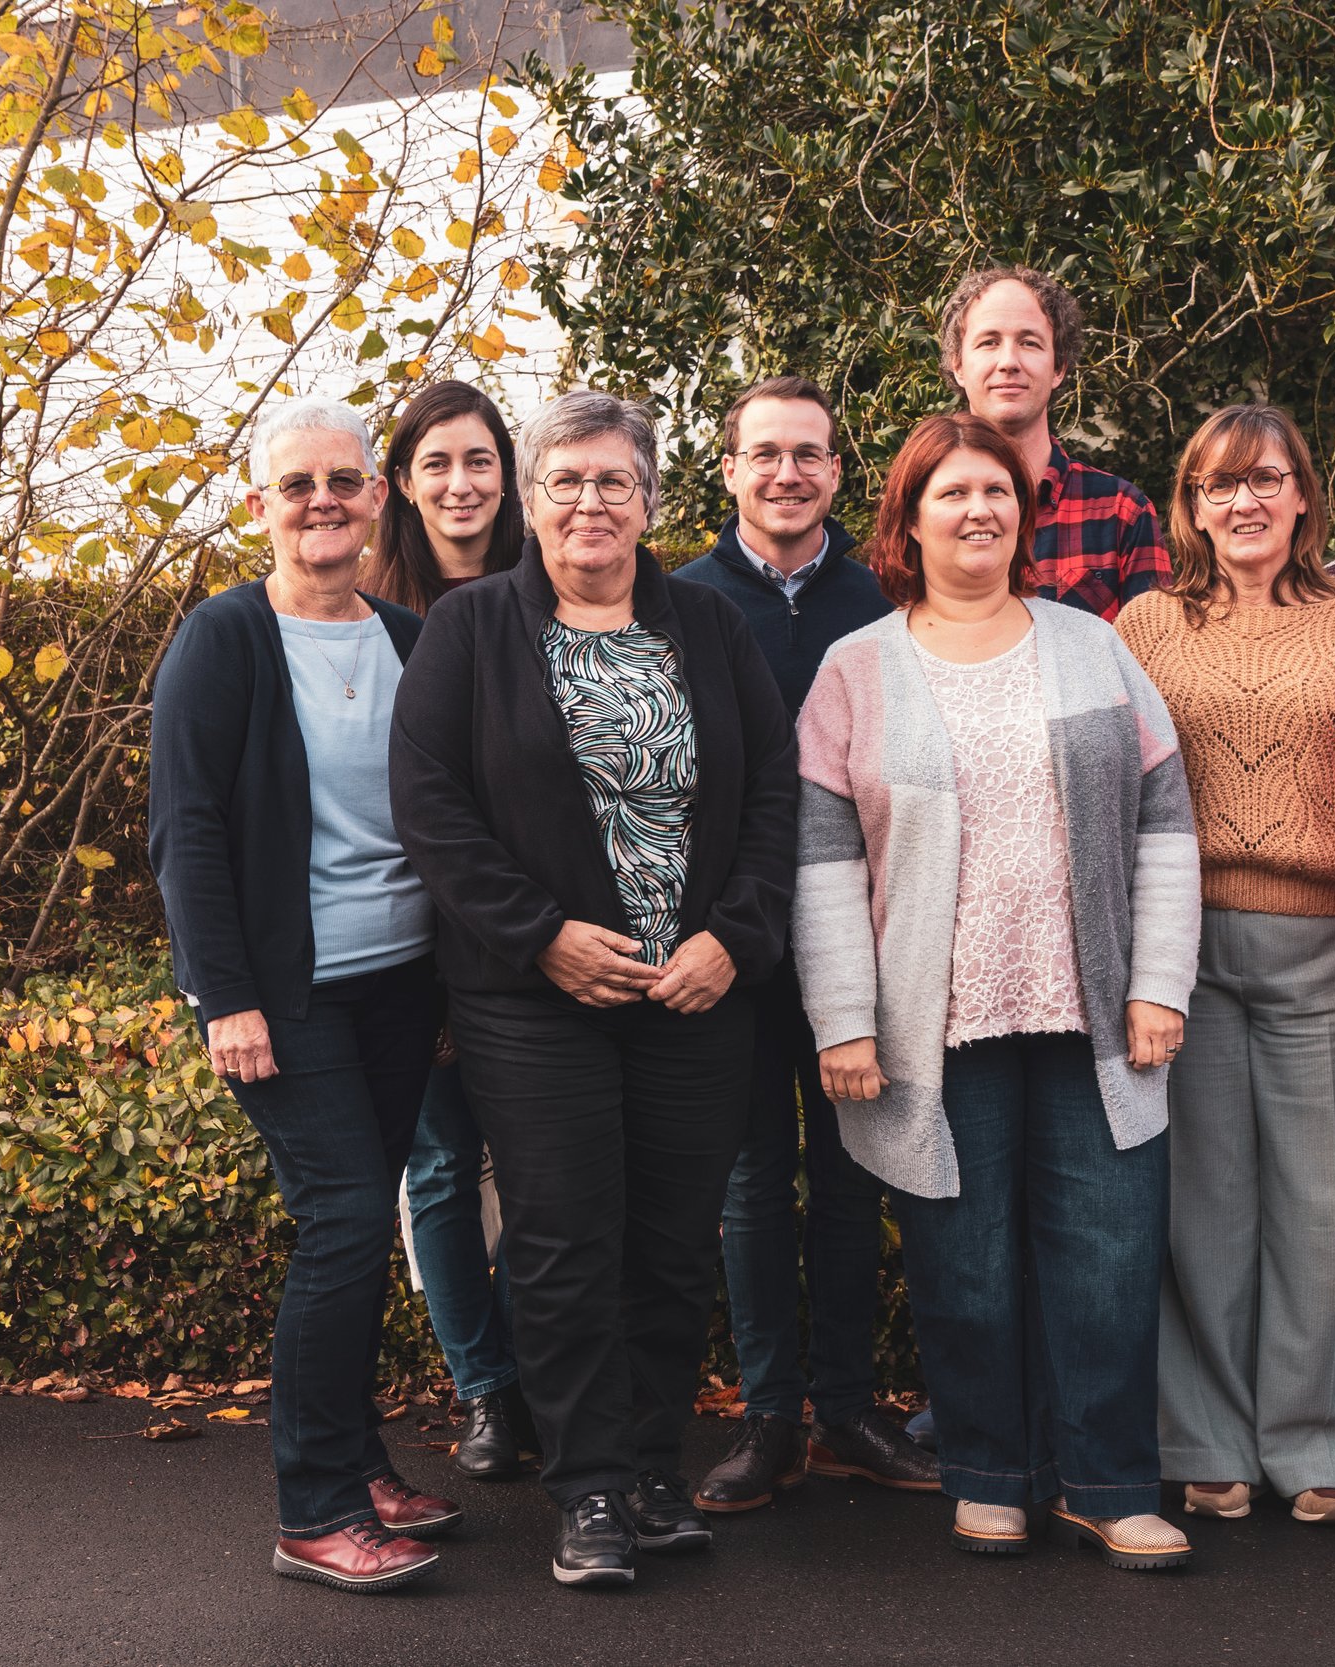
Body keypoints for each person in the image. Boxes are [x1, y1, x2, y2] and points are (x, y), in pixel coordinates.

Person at [389, 390, 799, 1588]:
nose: (589, 502)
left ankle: (653, 1468)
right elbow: (431, 807)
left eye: (613, 481)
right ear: (531, 502)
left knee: (672, 1245)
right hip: (534, 1001)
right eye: (565, 481)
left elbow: (775, 797)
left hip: (693, 992)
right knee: (565, 1242)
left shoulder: (712, 629)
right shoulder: (469, 631)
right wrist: (538, 936)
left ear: (652, 501)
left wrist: (735, 937)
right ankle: (590, 1490)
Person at [793, 411, 1202, 1570]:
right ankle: (989, 1471)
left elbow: (1164, 818)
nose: (978, 510)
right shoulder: (855, 671)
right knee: (962, 1266)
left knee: (1109, 1261)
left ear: (1022, 517)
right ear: (907, 518)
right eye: (950, 492)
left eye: (996, 493)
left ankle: (1108, 1482)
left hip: (1096, 1017)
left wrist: (1160, 980)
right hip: (937, 1024)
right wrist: (845, 1018)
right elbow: (822, 860)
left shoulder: (1091, 644)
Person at [148, 395, 457, 1593]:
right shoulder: (224, 639)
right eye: (297, 486)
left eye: (343, 480)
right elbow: (188, 831)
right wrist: (224, 994)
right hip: (284, 995)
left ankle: (361, 1463)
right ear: (261, 509)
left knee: (362, 1215)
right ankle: (312, 1509)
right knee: (342, 1219)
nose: (322, 502)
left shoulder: (406, 639)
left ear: (380, 498)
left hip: (398, 984)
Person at [1115, 404, 1335, 1527]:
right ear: (1189, 503)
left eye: (1266, 478)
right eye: (1219, 483)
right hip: (1181, 941)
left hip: (1329, 941)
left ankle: (1324, 1436)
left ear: (1303, 498)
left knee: (1326, 1204)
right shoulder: (1143, 625)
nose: (1244, 500)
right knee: (1203, 1203)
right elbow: (1115, 792)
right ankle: (1208, 1438)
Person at [671, 376, 938, 1510]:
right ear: (727, 469)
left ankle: (848, 1408)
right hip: (728, 945)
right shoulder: (674, 600)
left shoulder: (884, 605)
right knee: (747, 1181)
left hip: (862, 944)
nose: (787, 472)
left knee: (848, 1180)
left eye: (810, 454)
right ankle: (767, 1415)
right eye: (764, 453)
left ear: (839, 471)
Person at [359, 380, 534, 1481]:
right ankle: (486, 1389)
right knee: (437, 1170)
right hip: (410, 940)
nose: (461, 484)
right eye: (437, 465)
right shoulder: (371, 613)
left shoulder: (547, 591)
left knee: (543, 1167)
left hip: (528, 934)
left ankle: (538, 1364)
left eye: (479, 461)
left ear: (506, 473)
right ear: (405, 484)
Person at [937, 265, 1168, 620]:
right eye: (989, 342)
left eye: (1029, 343)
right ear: (958, 365)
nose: (1008, 362)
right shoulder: (923, 508)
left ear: (1059, 367)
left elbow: (1153, 661)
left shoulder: (1121, 512)